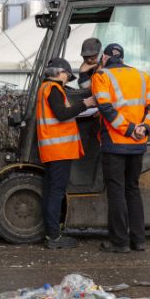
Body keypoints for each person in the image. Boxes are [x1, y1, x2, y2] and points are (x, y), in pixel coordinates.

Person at [91, 43, 150, 253]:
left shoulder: (101, 76)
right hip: (138, 144)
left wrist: (129, 129)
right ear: (122, 58)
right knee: (132, 189)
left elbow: (105, 108)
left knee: (116, 191)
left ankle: (120, 242)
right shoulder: (141, 76)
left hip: (115, 144)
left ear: (104, 58)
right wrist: (145, 127)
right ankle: (139, 240)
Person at [36, 58, 96, 249]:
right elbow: (62, 114)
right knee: (56, 192)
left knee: (51, 191)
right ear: (59, 73)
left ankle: (52, 234)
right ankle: (54, 237)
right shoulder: (53, 89)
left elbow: (60, 114)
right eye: (67, 75)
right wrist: (86, 104)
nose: (68, 79)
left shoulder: (45, 89)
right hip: (59, 150)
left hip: (53, 148)